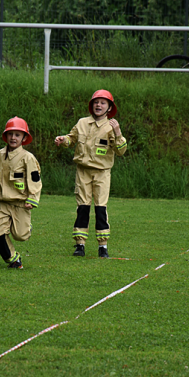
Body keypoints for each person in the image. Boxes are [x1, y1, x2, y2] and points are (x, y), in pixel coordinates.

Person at [54, 90, 127, 259]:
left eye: (103, 102)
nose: (98, 105)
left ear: (109, 107)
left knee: (101, 208)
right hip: (83, 171)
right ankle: (80, 245)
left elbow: (121, 151)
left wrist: (118, 133)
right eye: (96, 102)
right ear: (91, 105)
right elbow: (71, 138)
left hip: (102, 173)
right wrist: (62, 140)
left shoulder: (112, 126)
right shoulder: (82, 123)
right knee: (83, 207)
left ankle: (103, 246)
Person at [0, 117, 42, 269]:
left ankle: (26, 227)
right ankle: (14, 260)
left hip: (21, 203)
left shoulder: (27, 158)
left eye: (17, 134)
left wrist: (33, 199)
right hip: (4, 203)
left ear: (24, 138)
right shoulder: (0, 154)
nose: (13, 138)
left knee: (20, 235)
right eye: (10, 134)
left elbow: (35, 179)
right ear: (6, 136)